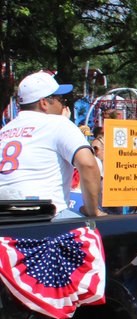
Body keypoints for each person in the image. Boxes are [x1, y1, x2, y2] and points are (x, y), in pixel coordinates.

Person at [0, 71, 102, 217]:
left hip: (5, 216)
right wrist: (93, 210)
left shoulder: (5, 130)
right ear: (44, 103)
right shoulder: (57, 123)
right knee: (99, 227)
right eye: (60, 99)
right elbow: (88, 164)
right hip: (45, 213)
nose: (63, 105)